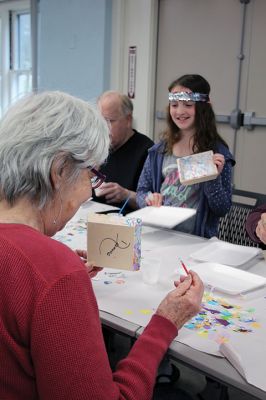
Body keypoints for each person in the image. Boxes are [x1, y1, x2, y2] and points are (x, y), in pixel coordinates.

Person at [0, 90, 204, 399]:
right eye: (90, 175)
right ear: (59, 172)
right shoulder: (54, 272)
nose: (87, 192)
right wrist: (165, 323)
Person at [136, 74, 235, 238]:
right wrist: (148, 199)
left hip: (195, 240)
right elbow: (141, 191)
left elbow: (222, 209)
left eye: (188, 105)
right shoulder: (160, 150)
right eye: (174, 105)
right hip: (157, 234)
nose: (180, 111)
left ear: (203, 108)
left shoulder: (218, 153)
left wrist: (213, 179)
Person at [94, 90, 154, 213]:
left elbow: (153, 202)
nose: (104, 128)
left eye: (109, 121)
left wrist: (126, 194)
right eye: (100, 121)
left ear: (128, 120)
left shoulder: (148, 151)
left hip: (126, 222)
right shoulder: (98, 145)